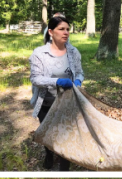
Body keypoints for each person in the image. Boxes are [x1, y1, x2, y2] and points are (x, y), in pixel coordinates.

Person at [30, 16, 84, 171]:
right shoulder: (39, 54)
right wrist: (57, 81)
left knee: (65, 136)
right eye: (61, 29)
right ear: (51, 32)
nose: (66, 32)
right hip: (46, 103)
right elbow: (35, 78)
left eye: (67, 29)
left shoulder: (74, 52)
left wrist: (79, 80)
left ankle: (64, 167)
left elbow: (80, 73)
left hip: (68, 103)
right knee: (48, 134)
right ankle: (49, 154)